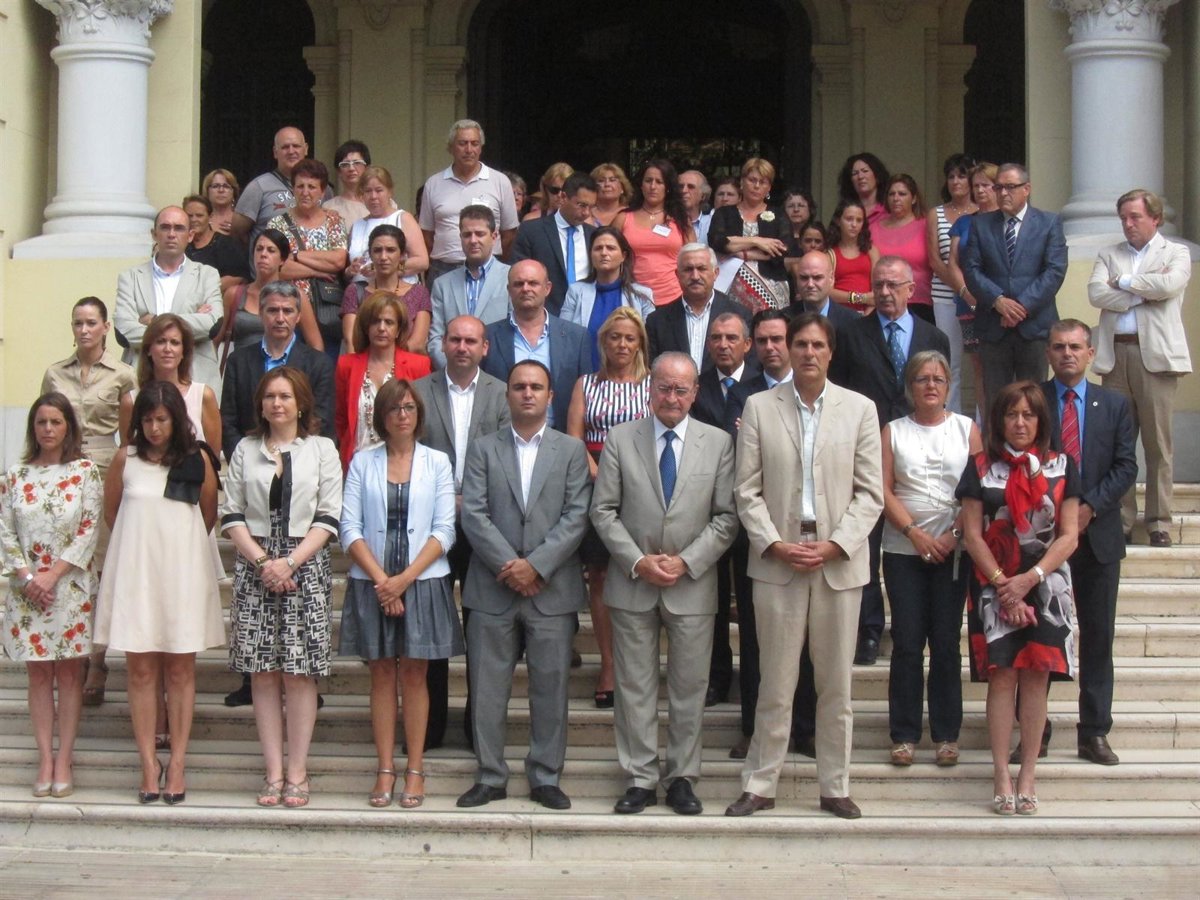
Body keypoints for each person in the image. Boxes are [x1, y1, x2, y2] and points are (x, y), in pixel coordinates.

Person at [724, 312, 883, 820]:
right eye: (801, 344)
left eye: (818, 345)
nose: (809, 353)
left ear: (831, 352)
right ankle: (760, 783)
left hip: (838, 563)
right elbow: (746, 489)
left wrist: (837, 544)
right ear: (788, 350)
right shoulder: (759, 407)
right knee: (775, 681)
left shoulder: (859, 409)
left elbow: (871, 493)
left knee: (835, 685)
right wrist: (773, 543)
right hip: (779, 562)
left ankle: (834, 785)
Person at [591, 352, 738, 816]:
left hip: (691, 584)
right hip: (633, 581)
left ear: (695, 393)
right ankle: (639, 777)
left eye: (681, 389)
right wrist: (637, 561)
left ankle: (682, 778)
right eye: (663, 388)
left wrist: (686, 561)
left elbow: (726, 517)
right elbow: (603, 510)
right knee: (634, 687)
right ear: (649, 389)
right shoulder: (621, 438)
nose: (671, 397)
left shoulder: (718, 443)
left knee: (689, 689)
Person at [457, 360, 591, 810]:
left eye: (536, 387)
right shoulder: (482, 448)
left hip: (552, 589)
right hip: (491, 587)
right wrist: (510, 566)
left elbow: (577, 516)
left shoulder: (571, 450)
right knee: (487, 689)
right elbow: (474, 514)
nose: (527, 393)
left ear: (551, 396)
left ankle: (546, 776)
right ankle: (490, 775)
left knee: (551, 689)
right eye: (519, 387)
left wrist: (536, 566)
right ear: (507, 395)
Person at [94, 381, 223, 805]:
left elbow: (207, 516)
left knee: (181, 670)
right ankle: (148, 763)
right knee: (140, 671)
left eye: (162, 419)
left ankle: (178, 763)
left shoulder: (196, 459)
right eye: (147, 419)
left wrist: (176, 548)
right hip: (137, 575)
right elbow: (112, 513)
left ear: (177, 420)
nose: (154, 427)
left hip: (181, 574)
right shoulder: (125, 459)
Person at [957, 381, 1080, 816]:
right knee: (1003, 678)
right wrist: (1003, 585)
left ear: (1041, 421)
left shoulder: (1062, 465)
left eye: (1028, 415)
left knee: (1036, 679)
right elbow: (972, 533)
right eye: (1012, 414)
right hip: (993, 586)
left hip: (1046, 584)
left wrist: (1030, 579)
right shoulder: (980, 466)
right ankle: (1000, 774)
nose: (1020, 422)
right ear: (1000, 420)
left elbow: (1068, 535)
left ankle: (1027, 773)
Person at [222, 367, 341, 809]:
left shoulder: (322, 449)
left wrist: (289, 562)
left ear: (301, 403)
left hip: (304, 565)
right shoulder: (245, 449)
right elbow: (231, 513)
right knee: (263, 671)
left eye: (285, 396)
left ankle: (298, 772)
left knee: (298, 671)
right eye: (270, 396)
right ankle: (273, 772)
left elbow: (329, 515)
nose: (277, 404)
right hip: (255, 564)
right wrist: (263, 563)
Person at [339, 378, 460, 809]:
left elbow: (445, 530)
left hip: (422, 580)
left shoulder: (437, 462)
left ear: (418, 414)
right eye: (394, 409)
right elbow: (348, 528)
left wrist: (403, 580)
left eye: (409, 407)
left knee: (414, 674)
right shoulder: (362, 462)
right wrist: (383, 582)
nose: (402, 415)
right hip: (372, 580)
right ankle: (385, 768)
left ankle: (415, 768)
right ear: (381, 417)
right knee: (380, 675)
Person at [830, 256, 950, 667]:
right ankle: (867, 630)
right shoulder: (850, 334)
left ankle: (911, 627)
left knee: (913, 542)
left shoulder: (934, 336)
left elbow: (940, 391)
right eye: (878, 284)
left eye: (892, 285)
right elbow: (840, 393)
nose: (883, 292)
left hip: (920, 453)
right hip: (865, 451)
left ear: (910, 289)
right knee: (867, 543)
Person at [412, 315, 511, 748]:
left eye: (471, 341)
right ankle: (429, 726)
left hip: (484, 527)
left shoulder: (502, 394)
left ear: (485, 347)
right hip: (430, 526)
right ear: (443, 344)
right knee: (431, 627)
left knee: (482, 630)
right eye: (455, 339)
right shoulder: (418, 392)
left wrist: (469, 501)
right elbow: (408, 453)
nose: (462, 347)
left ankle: (477, 727)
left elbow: (507, 459)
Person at [1042, 319, 1137, 765]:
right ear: (1048, 353)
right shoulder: (1032, 401)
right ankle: (1036, 729)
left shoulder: (1114, 404)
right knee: (1042, 636)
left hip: (1098, 537)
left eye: (1075, 347)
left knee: (1098, 637)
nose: (1068, 354)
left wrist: (1088, 508)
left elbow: (1125, 466)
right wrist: (1059, 513)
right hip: (1044, 538)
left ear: (1090, 353)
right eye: (1059, 346)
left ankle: (1094, 732)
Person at [881, 351, 982, 767]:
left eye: (939, 379)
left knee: (945, 641)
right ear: (910, 385)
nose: (931, 386)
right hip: (903, 548)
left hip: (954, 550)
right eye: (922, 378)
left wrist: (953, 534)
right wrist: (915, 533)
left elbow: (978, 488)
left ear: (949, 386)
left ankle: (945, 735)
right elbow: (883, 489)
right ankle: (904, 735)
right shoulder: (893, 431)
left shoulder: (966, 429)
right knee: (907, 641)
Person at [1, 393, 102, 798]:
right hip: (27, 592)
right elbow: (5, 531)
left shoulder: (84, 472)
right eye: (41, 422)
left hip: (69, 587)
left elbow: (89, 528)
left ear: (68, 427)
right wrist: (28, 577)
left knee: (70, 674)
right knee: (39, 674)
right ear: (33, 427)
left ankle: (65, 758)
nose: (48, 429)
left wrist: (52, 575)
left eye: (55, 422)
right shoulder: (15, 475)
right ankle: (45, 757)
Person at [41, 297, 136, 707]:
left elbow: (130, 435)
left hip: (102, 468)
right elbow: (44, 422)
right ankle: (70, 652)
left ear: (105, 327)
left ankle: (96, 659)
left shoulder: (123, 374)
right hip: (60, 471)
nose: (84, 330)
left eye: (91, 323)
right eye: (78, 322)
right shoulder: (55, 372)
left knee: (97, 565)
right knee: (64, 564)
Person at [1088, 188, 1193, 548]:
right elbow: (1096, 294)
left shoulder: (1175, 253)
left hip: (1157, 359)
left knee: (1158, 444)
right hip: (1116, 355)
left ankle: (1159, 522)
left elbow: (1169, 284)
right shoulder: (1109, 253)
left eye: (1135, 217)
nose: (1128, 224)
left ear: (1155, 218)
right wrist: (1144, 292)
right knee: (1118, 443)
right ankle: (1120, 520)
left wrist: (1123, 283)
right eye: (1124, 218)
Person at [567, 308, 652, 708]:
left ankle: (637, 663)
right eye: (615, 337)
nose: (622, 344)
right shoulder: (586, 384)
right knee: (599, 575)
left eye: (629, 338)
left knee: (636, 571)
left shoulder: (652, 385)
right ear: (603, 342)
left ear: (640, 344)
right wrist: (599, 475)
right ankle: (609, 664)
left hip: (641, 485)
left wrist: (625, 477)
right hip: (594, 481)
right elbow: (574, 437)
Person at [961, 163, 1068, 416]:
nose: (1003, 193)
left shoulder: (1049, 223)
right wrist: (998, 301)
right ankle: (996, 444)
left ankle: (1034, 444)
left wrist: (1020, 307)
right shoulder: (980, 224)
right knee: (996, 402)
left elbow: (1054, 271)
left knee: (1034, 400)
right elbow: (971, 269)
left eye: (1010, 187)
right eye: (999, 187)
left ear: (1026, 189)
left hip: (1034, 326)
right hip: (993, 326)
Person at [692, 312, 758, 714]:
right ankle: (716, 675)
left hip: (752, 512)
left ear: (747, 344)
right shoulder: (696, 387)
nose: (723, 344)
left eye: (732, 338)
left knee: (751, 607)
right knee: (711, 602)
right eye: (716, 337)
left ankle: (752, 682)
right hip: (706, 509)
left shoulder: (762, 387)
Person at [220, 281, 335, 462]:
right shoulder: (238, 361)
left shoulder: (319, 364)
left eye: (288, 311)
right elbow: (228, 422)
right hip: (249, 464)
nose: (280, 318)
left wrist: (291, 464)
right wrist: (244, 461)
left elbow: (322, 421)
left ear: (298, 316)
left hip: (302, 464)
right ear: (260, 313)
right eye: (273, 310)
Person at [113, 206, 222, 389]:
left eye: (179, 228)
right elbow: (124, 332)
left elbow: (212, 325)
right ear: (154, 234)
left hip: (195, 377)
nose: (171, 234)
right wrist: (190, 322)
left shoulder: (207, 275)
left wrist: (153, 321)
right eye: (165, 227)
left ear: (190, 235)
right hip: (142, 377)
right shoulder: (130, 277)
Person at [480, 260, 593, 430]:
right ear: (509, 290)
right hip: (503, 437)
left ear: (547, 288)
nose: (525, 289)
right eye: (519, 284)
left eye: (533, 283)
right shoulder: (489, 336)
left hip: (561, 437)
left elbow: (586, 395)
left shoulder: (577, 337)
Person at [335, 292, 433, 471]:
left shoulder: (418, 365)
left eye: (389, 322)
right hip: (358, 464)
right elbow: (341, 419)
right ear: (366, 327)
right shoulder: (346, 365)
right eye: (375, 321)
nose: (381, 328)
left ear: (399, 330)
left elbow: (423, 418)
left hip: (405, 465)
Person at [267, 158, 351, 356]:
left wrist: (296, 255)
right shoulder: (277, 224)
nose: (305, 192)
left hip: (326, 311)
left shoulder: (334, 220)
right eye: (300, 186)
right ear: (293, 189)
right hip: (289, 312)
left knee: (325, 367)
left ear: (322, 191)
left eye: (312, 187)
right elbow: (279, 269)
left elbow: (338, 261)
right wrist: (318, 270)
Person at [419, 119, 520, 283]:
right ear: (451, 147)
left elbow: (509, 234)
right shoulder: (434, 184)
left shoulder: (500, 181)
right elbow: (426, 235)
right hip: (444, 269)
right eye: (462, 143)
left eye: (474, 143)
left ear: (481, 148)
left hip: (489, 269)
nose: (469, 149)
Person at [217, 229, 323, 362]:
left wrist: (312, 372)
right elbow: (216, 339)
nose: (263, 254)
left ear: (282, 260)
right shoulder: (234, 294)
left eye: (271, 250)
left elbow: (316, 345)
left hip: (285, 370)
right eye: (259, 249)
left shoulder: (296, 296)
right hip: (242, 369)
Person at [427, 205, 513, 369]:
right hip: (452, 374)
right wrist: (454, 373)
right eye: (467, 235)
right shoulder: (442, 284)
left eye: (480, 234)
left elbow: (514, 333)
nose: (473, 240)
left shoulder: (512, 278)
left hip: (497, 374)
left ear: (494, 236)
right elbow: (436, 339)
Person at [559, 226, 656, 368]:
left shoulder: (643, 295)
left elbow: (649, 342)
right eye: (598, 248)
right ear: (590, 255)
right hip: (583, 373)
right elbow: (563, 335)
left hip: (629, 376)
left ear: (623, 256)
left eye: (610, 248)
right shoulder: (576, 291)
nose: (604, 253)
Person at [948, 161, 1000, 420]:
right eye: (976, 185)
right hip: (969, 304)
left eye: (986, 185)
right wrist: (966, 293)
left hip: (1002, 304)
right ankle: (985, 424)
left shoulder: (1006, 221)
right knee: (979, 367)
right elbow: (953, 262)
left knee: (1001, 364)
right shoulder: (964, 222)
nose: (980, 190)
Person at [645, 244, 750, 373]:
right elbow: (652, 370)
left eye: (702, 269)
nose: (695, 276)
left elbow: (749, 366)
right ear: (677, 275)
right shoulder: (657, 321)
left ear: (715, 273)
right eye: (688, 269)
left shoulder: (740, 315)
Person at [927, 154, 978, 414]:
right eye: (951, 176)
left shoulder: (982, 212)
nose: (956, 181)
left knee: (981, 363)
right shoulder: (935, 213)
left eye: (962, 175)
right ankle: (951, 418)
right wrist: (962, 289)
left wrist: (973, 294)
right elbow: (935, 260)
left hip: (980, 298)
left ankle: (981, 423)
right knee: (950, 362)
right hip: (945, 297)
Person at [708, 158, 791, 313]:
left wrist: (740, 252)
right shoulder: (724, 213)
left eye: (763, 182)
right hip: (731, 284)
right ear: (742, 182)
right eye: (752, 180)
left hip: (772, 286)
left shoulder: (779, 215)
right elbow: (717, 241)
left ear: (769, 188)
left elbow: (783, 249)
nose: (756, 186)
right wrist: (757, 241)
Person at [512, 172, 598, 316]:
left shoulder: (594, 235)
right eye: (581, 205)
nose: (586, 213)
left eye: (591, 207)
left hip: (586, 315)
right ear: (563, 197)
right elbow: (519, 274)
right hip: (545, 314)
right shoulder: (532, 231)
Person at [613, 159, 694, 305]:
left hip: (674, 296)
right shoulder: (623, 218)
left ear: (667, 187)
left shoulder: (681, 219)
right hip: (630, 296)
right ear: (641, 185)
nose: (653, 186)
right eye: (648, 181)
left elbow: (693, 257)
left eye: (659, 182)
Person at [341, 224, 432, 355]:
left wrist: (387, 363)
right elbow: (351, 343)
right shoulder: (355, 292)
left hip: (406, 365)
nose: (383, 257)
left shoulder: (419, 293)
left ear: (402, 255)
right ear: (370, 255)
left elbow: (417, 344)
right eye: (377, 250)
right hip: (363, 365)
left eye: (390, 250)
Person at [232, 126, 321, 249]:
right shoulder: (258, 187)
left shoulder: (322, 188)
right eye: (285, 147)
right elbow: (237, 233)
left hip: (313, 260)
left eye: (296, 146)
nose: (291, 151)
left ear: (306, 149)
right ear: (275, 152)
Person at [343, 166, 428, 287]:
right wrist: (350, 270)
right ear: (362, 195)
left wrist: (383, 269)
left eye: (379, 190)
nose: (373, 196)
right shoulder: (357, 226)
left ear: (389, 192)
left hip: (397, 292)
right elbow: (347, 270)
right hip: (362, 292)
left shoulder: (403, 219)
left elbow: (422, 262)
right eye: (368, 191)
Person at [872, 175, 933, 323]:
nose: (896, 198)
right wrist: (859, 298)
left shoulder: (926, 225)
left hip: (920, 302)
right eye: (891, 194)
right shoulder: (873, 228)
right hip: (883, 301)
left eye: (902, 194)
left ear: (914, 198)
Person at [183, 194, 250, 294]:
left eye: (199, 215)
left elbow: (240, 278)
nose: (194, 220)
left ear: (210, 216)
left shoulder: (226, 244)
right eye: (189, 216)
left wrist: (204, 289)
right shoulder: (180, 245)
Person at [784, 249, 860, 331]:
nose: (810, 284)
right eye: (804, 278)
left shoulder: (852, 321)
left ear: (831, 279)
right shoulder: (784, 319)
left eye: (817, 278)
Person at [826, 199, 879, 314]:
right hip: (839, 314)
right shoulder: (830, 254)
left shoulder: (871, 251)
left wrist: (867, 316)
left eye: (859, 220)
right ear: (838, 221)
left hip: (867, 315)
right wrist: (861, 298)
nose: (854, 224)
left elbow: (877, 290)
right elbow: (827, 292)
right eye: (849, 219)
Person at [324, 139, 371, 228]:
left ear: (367, 168)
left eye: (357, 163)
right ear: (338, 171)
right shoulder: (329, 207)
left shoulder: (382, 202)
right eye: (345, 164)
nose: (351, 169)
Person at [837, 152, 890, 231]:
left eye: (865, 171)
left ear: (877, 176)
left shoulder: (889, 210)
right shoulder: (844, 211)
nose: (860, 177)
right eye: (855, 173)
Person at [590, 163, 632, 227]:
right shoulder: (585, 213)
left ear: (622, 188)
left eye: (612, 180)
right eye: (601, 181)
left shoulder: (630, 215)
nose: (607, 184)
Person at [679, 170, 713, 246]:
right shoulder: (664, 220)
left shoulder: (711, 223)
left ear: (703, 195)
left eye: (691, 187)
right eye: (680, 186)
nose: (684, 190)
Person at [202, 168, 239, 236]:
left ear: (234, 191)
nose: (221, 190)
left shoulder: (242, 219)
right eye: (215, 186)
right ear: (207, 191)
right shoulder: (200, 218)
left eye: (226, 186)